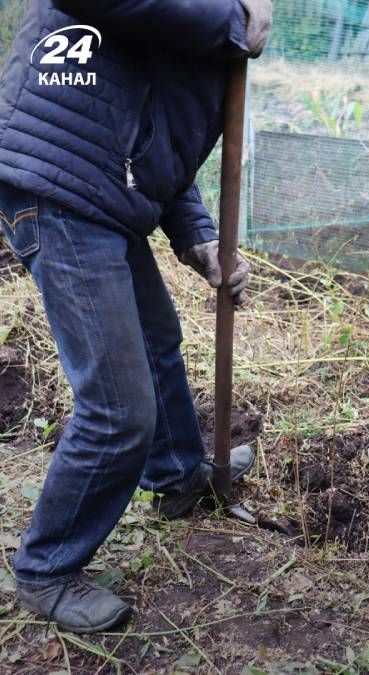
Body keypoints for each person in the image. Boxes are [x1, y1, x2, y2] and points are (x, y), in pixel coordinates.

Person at [0, 0, 272, 634]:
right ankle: (47, 569)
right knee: (119, 407)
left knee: (157, 344)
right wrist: (232, 23)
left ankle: (179, 477)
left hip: (99, 192)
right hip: (57, 184)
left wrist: (198, 237)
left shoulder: (190, 20)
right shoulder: (205, 14)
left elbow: (156, 145)